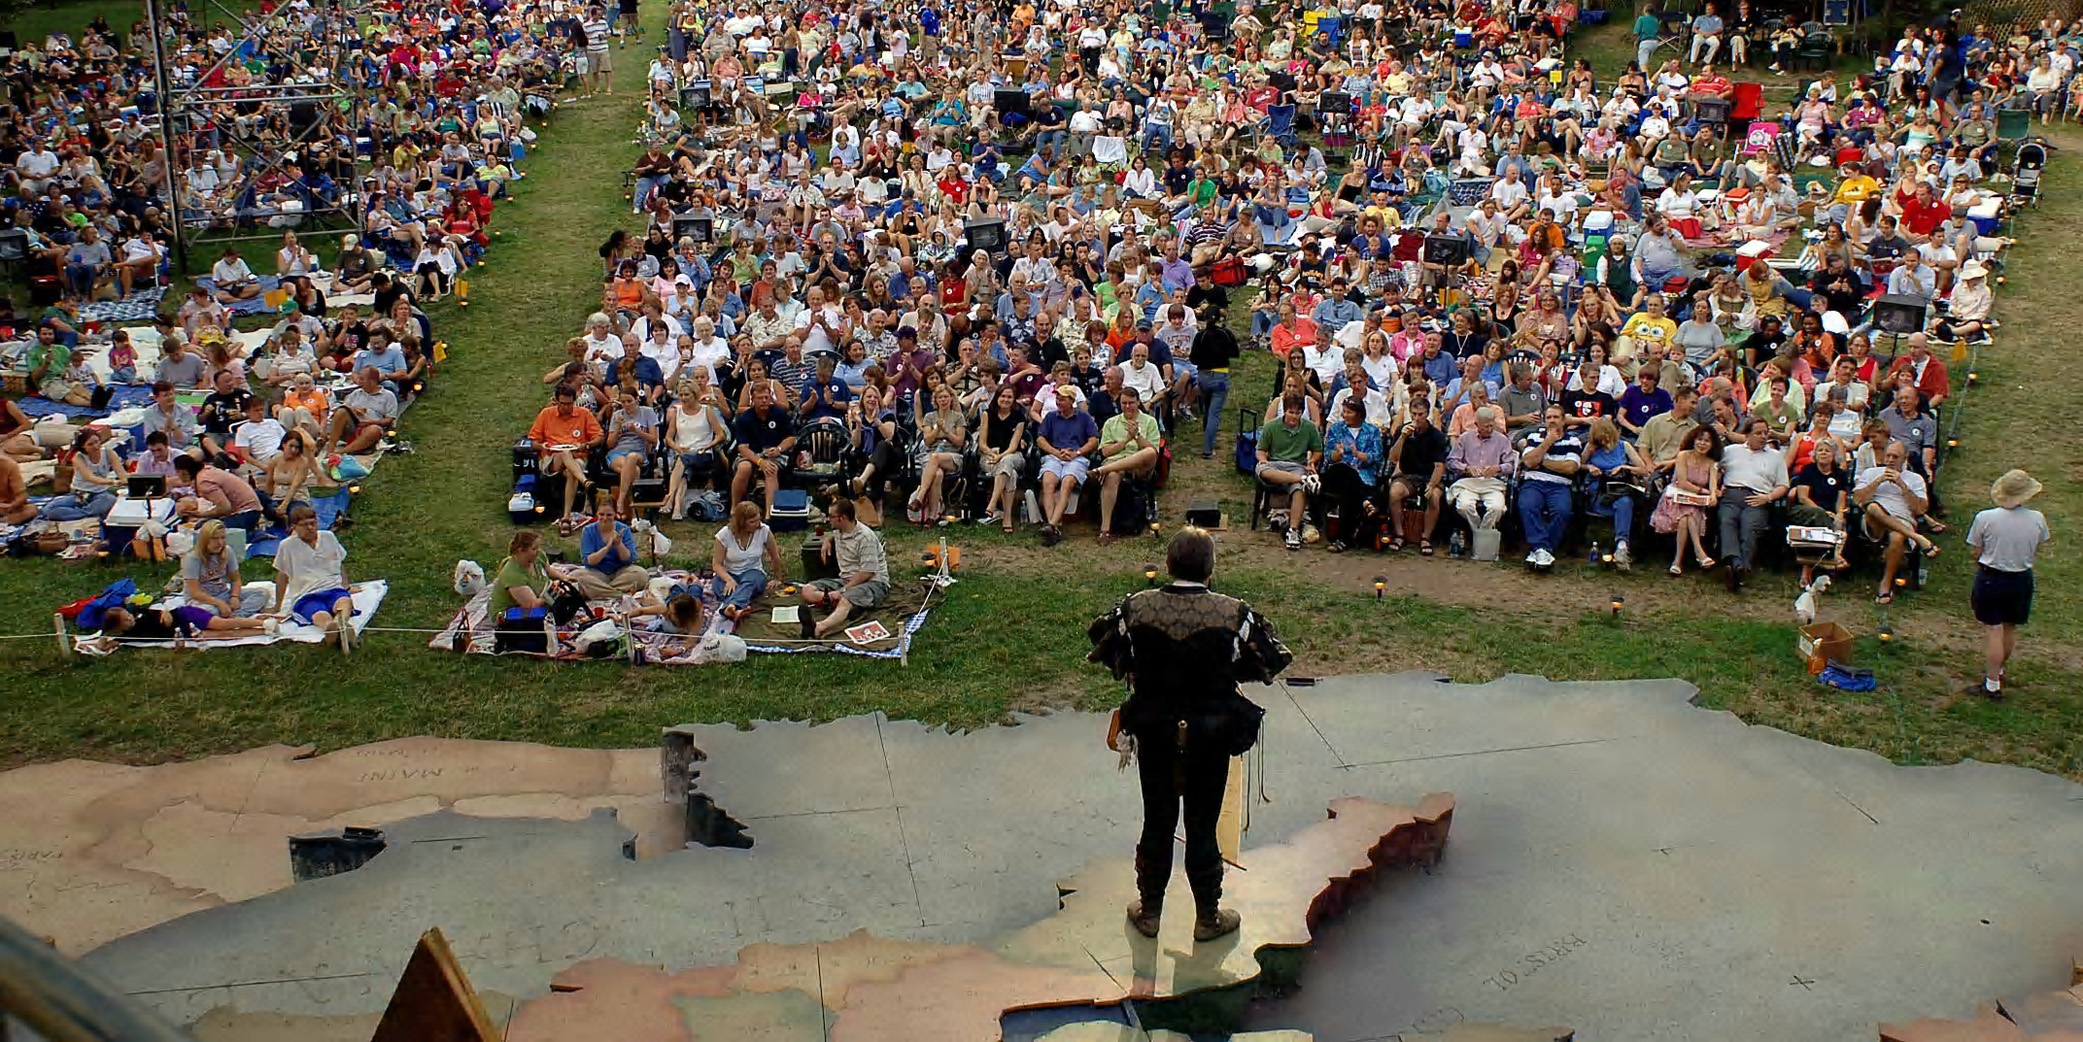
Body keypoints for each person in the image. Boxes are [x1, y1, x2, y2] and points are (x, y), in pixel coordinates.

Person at [1085, 526, 1292, 943]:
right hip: (1211, 734)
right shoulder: (1234, 613)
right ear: (1210, 569)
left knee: (1157, 821)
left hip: (1155, 730)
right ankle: (1207, 919)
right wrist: (1226, 673)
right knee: (1202, 825)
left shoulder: (1137, 608)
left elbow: (1103, 643)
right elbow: (1273, 658)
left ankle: (1150, 913)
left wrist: (1138, 668)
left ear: (1168, 564)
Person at [1966, 469, 2049, 701]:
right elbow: (2037, 547)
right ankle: (1999, 672)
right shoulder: (2038, 519)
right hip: (2021, 578)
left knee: (1994, 630)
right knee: (2009, 627)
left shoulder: (1986, 518)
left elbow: (1977, 550)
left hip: (1992, 577)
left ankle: (1992, 684)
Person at [1854, 441, 1936, 604]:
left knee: (1898, 537)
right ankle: (1918, 538)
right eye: (1888, 456)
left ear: (1905, 458)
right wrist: (1878, 481)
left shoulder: (1915, 479)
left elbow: (1921, 510)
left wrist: (1902, 486)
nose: (1891, 460)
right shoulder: (1871, 473)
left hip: (1902, 520)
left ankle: (1886, 583)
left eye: (1895, 457)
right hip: (1874, 522)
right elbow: (1858, 500)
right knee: (1872, 508)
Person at [1712, 419, 1790, 591]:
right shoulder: (1731, 451)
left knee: (1750, 526)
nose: (1763, 437)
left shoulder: (1776, 456)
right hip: (1731, 495)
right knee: (1727, 521)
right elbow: (1714, 468)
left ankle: (1739, 567)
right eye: (1758, 433)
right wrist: (1716, 487)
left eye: (1765, 432)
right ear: (1747, 435)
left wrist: (1768, 497)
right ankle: (1735, 563)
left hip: (1757, 497)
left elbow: (1783, 485)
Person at [799, 497, 889, 638]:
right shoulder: (838, 530)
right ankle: (846, 606)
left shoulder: (865, 538)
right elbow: (833, 535)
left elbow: (867, 573)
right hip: (846, 579)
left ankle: (818, 627)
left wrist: (842, 591)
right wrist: (827, 540)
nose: (828, 519)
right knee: (807, 590)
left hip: (873, 583)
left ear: (843, 518)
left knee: (845, 599)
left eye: (831, 516)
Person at [275, 503, 357, 648]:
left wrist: (347, 586)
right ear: (294, 527)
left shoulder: (328, 537)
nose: (310, 528)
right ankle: (330, 629)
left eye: (313, 523)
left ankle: (341, 623)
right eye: (304, 525)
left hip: (332, 587)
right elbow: (282, 576)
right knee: (318, 613)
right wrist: (277, 605)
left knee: (343, 601)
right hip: (306, 593)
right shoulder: (287, 546)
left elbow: (339, 563)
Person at [1095, 385, 1164, 545]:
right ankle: (1105, 530)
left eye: (1131, 403)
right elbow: (1105, 452)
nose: (1127, 406)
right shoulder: (1111, 423)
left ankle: (1102, 470)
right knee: (1112, 476)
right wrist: (1126, 440)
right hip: (1116, 461)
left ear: (1138, 402)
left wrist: (1137, 436)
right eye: (1124, 403)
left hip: (1140, 465)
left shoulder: (1149, 422)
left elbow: (1153, 451)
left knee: (1149, 453)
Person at [1517, 405, 1584, 569]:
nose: (1552, 421)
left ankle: (1540, 549)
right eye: (1549, 418)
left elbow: (1570, 467)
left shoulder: (1572, 440)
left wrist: (1542, 461)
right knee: (1527, 506)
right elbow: (1528, 462)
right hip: (1534, 482)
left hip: (1560, 485)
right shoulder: (1534, 436)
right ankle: (1543, 549)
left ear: (1563, 421)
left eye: (1556, 417)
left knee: (1562, 511)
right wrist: (1548, 442)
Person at [1256, 391, 1323, 551]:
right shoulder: (1272, 426)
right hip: (1275, 464)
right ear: (1285, 411)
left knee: (1299, 490)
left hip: (1297, 465)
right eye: (1291, 412)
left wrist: (1312, 461)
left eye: (1297, 413)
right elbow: (1260, 449)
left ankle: (1293, 530)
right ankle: (1301, 480)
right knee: (1262, 469)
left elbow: (1317, 450)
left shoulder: (1309, 428)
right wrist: (1264, 459)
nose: (1294, 416)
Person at [528, 383, 606, 519]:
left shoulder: (583, 414)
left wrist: (587, 445)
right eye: (563, 404)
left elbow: (599, 436)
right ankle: (585, 482)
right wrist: (542, 447)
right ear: (556, 401)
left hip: (577, 458)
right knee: (564, 453)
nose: (566, 407)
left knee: (571, 472)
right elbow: (533, 442)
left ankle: (566, 516)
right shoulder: (546, 414)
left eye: (570, 404)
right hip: (551, 458)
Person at [1036, 384, 1100, 545]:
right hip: (1055, 455)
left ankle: (1051, 525)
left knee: (1067, 483)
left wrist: (1077, 453)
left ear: (1071, 401)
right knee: (1048, 482)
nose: (1058, 402)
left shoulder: (1084, 418)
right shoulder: (1051, 417)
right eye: (1057, 398)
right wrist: (1055, 452)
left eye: (1062, 399)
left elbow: (1094, 440)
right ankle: (1053, 526)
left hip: (1076, 457)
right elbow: (1040, 439)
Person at [710, 500, 786, 624]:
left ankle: (730, 607)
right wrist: (728, 579)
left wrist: (778, 578)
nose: (757, 524)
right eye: (752, 522)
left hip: (752, 572)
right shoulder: (724, 535)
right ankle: (736, 610)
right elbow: (716, 564)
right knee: (727, 589)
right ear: (741, 522)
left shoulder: (764, 531)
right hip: (728, 574)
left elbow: (775, 556)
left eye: (758, 520)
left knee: (750, 583)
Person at [731, 382, 797, 517]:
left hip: (774, 454)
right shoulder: (745, 418)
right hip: (752, 454)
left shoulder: (779, 413)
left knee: (771, 469)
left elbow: (791, 438)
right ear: (753, 400)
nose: (764, 400)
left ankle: (769, 514)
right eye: (760, 398)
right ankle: (734, 508)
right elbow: (742, 448)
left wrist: (779, 448)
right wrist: (760, 462)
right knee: (744, 468)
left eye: (766, 397)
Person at [183, 519, 271, 618]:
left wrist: (234, 597)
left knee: (262, 593)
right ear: (205, 539)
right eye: (215, 538)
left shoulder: (227, 551)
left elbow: (235, 579)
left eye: (223, 538)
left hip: (223, 592)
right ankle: (227, 618)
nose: (220, 542)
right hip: (203, 600)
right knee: (207, 611)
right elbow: (195, 592)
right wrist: (219, 603)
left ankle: (235, 617)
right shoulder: (193, 558)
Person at [574, 499, 649, 601]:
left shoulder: (623, 529)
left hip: (620, 572)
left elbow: (629, 559)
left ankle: (599, 592)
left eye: (609, 515)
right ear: (597, 514)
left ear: (615, 514)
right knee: (576, 577)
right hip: (597, 572)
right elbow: (589, 561)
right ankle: (619, 595)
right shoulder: (588, 531)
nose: (605, 518)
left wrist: (619, 544)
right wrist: (607, 547)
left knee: (641, 575)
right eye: (601, 514)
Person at [488, 529, 551, 619]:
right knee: (542, 614)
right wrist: (551, 597)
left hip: (531, 601)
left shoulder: (537, 557)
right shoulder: (512, 574)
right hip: (505, 613)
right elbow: (532, 605)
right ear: (521, 550)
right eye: (534, 549)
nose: (538, 551)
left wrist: (566, 578)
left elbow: (549, 570)